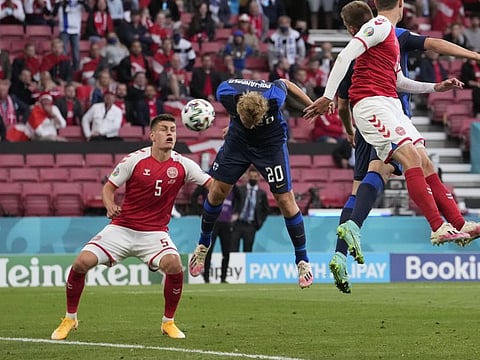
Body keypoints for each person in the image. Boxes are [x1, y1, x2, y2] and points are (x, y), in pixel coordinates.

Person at [311, 0, 480, 293]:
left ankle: (457, 222)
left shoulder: (388, 35)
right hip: (372, 106)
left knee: (424, 161)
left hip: (389, 104)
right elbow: (343, 57)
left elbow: (397, 79)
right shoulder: (377, 26)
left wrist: (434, 88)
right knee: (409, 159)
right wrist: (327, 95)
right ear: (401, 4)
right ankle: (437, 227)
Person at [51, 113, 212, 341]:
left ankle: (168, 322)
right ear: (152, 135)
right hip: (122, 228)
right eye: (164, 129)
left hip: (155, 233)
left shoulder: (184, 165)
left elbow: (212, 186)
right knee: (80, 263)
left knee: (175, 266)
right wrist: (109, 205)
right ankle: (70, 318)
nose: (170, 134)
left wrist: (226, 172)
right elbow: (109, 188)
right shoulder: (133, 160)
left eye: (173, 130)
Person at [189, 78, 315, 289]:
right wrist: (235, 125)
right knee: (217, 191)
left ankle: (302, 261)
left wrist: (311, 104)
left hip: (270, 145)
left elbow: (286, 82)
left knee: (285, 201)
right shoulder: (225, 92)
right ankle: (203, 244)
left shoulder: (275, 97)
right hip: (238, 142)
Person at [203, 185, 241, 283]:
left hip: (226, 223)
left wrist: (237, 212)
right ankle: (206, 278)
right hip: (213, 222)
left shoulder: (233, 186)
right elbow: (195, 195)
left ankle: (223, 278)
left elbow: (240, 198)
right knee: (209, 250)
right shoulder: (212, 183)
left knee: (226, 251)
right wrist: (201, 211)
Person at [231, 167, 269, 252]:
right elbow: (233, 203)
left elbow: (266, 210)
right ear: (248, 176)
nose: (253, 178)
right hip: (237, 224)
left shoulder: (261, 194)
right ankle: (232, 266)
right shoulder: (240, 190)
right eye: (251, 176)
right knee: (233, 249)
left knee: (248, 250)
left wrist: (258, 223)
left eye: (255, 177)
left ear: (259, 178)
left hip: (251, 225)